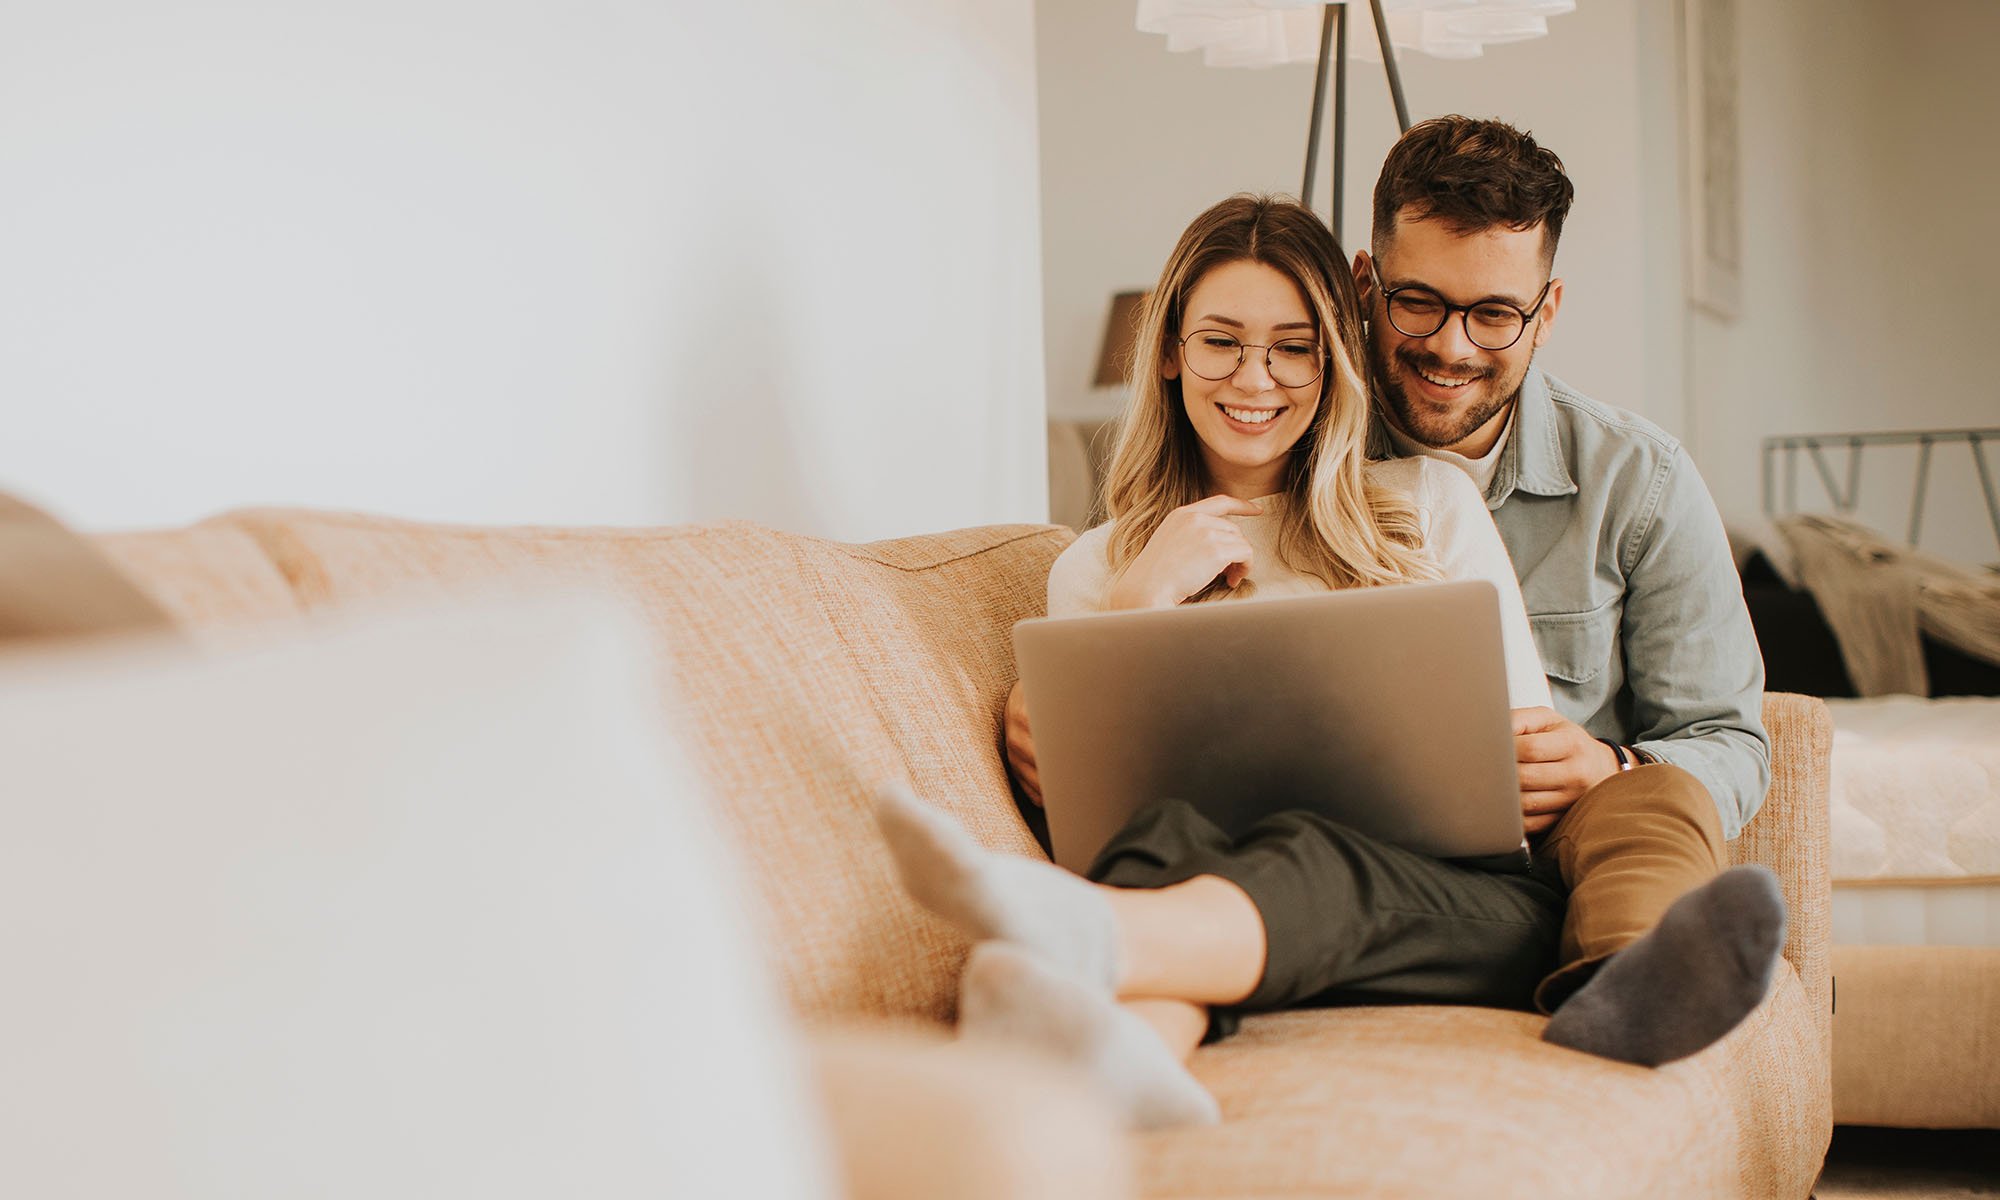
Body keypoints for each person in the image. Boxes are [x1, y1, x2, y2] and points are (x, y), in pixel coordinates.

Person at [877, 191, 1779, 1131]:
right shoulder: (1099, 567)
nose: (1254, 378)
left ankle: (1066, 942)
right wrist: (1141, 600)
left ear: (1331, 361)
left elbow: (1512, 772)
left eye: (1293, 347)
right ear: (1171, 351)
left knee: (1309, 854)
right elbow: (1104, 824)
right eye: (1220, 342)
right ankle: (1118, 1061)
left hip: (1465, 907)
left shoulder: (1425, 503)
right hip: (1211, 885)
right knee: (1164, 842)